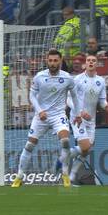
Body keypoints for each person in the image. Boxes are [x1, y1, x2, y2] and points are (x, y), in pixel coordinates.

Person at [11, 49, 81, 188]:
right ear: (46, 61)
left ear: (60, 61)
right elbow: (32, 96)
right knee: (30, 145)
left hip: (58, 115)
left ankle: (65, 174)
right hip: (41, 116)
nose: (53, 63)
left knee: (66, 141)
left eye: (55, 61)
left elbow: (75, 97)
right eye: (50, 60)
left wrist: (78, 114)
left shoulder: (67, 78)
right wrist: (40, 110)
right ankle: (19, 177)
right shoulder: (39, 77)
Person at [66, 54, 108, 184]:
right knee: (85, 146)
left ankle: (71, 175)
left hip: (91, 121)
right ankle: (65, 159)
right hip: (78, 118)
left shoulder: (101, 81)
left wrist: (107, 108)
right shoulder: (77, 79)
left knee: (86, 150)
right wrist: (80, 112)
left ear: (97, 64)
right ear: (85, 64)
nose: (91, 62)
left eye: (93, 61)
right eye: (88, 60)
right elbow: (69, 99)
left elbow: (102, 100)